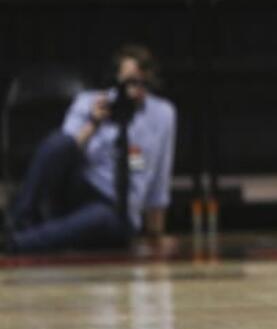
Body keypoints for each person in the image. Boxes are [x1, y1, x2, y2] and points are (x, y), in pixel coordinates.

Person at [5, 45, 175, 254]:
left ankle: (15, 243)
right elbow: (61, 152)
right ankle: (18, 220)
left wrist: (155, 234)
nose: (137, 90)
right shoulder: (89, 102)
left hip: (115, 208)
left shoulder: (163, 114)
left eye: (144, 83)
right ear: (116, 80)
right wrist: (93, 124)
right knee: (59, 142)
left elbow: (159, 179)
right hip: (79, 189)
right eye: (131, 82)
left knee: (100, 218)